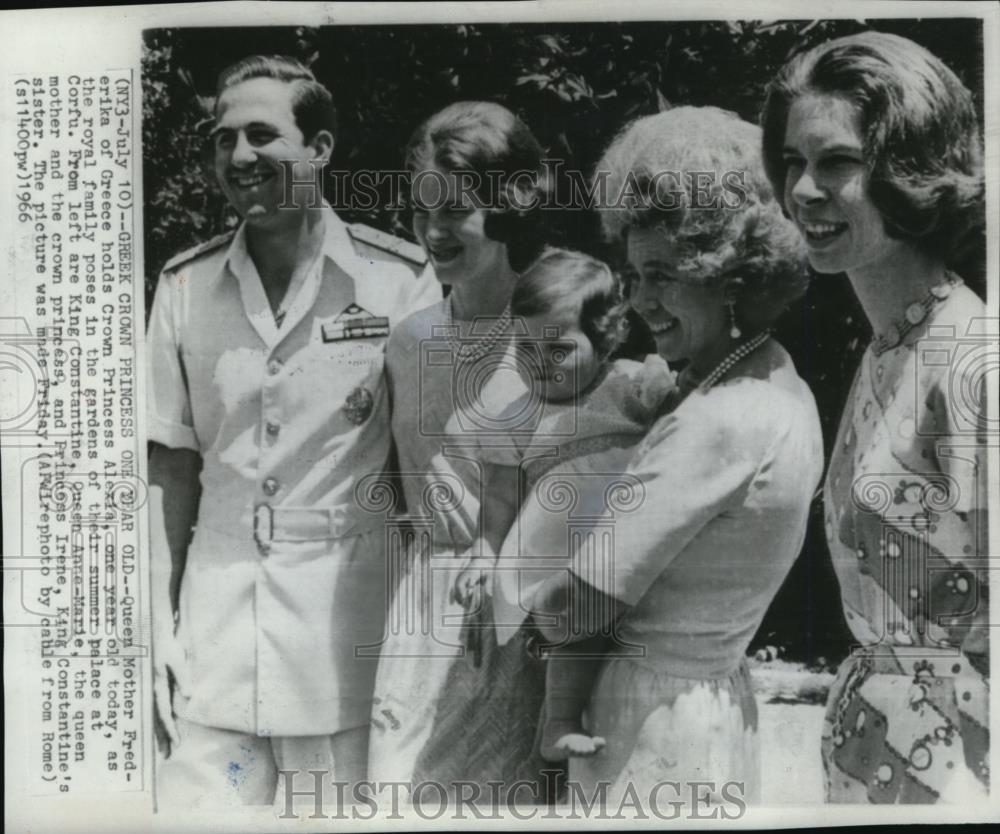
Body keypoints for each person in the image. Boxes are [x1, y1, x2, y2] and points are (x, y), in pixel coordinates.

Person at [147, 54, 440, 807]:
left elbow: (433, 463)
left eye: (261, 135)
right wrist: (155, 618)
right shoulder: (184, 287)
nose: (238, 156)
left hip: (341, 643)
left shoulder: (397, 280)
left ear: (319, 150)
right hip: (212, 640)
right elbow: (170, 466)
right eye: (222, 139)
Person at [528, 106, 823, 808]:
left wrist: (524, 588)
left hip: (650, 726)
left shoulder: (716, 423)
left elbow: (572, 608)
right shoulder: (776, 379)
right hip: (708, 697)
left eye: (661, 274)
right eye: (632, 275)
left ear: (731, 272)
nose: (639, 301)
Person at [763, 31, 989, 803]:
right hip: (877, 750)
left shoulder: (968, 357)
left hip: (963, 766)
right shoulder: (888, 350)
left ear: (911, 167)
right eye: (793, 162)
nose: (801, 189)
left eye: (836, 162)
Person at [366, 101, 553, 797]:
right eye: (421, 211)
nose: (434, 232)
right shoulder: (408, 341)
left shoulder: (553, 337)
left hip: (519, 615)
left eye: (455, 211)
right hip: (421, 611)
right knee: (394, 791)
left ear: (507, 208)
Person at [449, 248, 676, 762]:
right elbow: (501, 495)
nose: (538, 364)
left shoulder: (629, 387)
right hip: (557, 557)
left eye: (558, 350)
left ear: (604, 338)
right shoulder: (512, 412)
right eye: (524, 349)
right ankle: (558, 722)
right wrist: (484, 551)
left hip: (624, 545)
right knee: (569, 631)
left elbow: (682, 430)